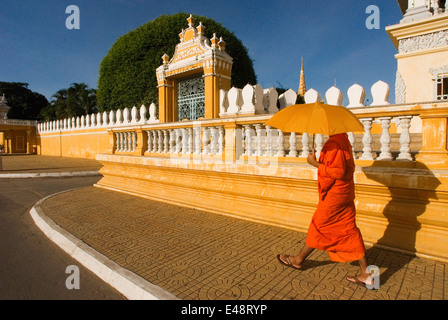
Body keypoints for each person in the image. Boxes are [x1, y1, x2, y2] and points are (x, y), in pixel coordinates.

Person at [277, 133, 373, 285]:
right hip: (345, 193)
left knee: (319, 226)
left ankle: (298, 260)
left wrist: (314, 163)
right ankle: (366, 274)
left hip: (334, 196)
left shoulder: (336, 143)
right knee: (349, 229)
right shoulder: (344, 141)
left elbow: (338, 172)